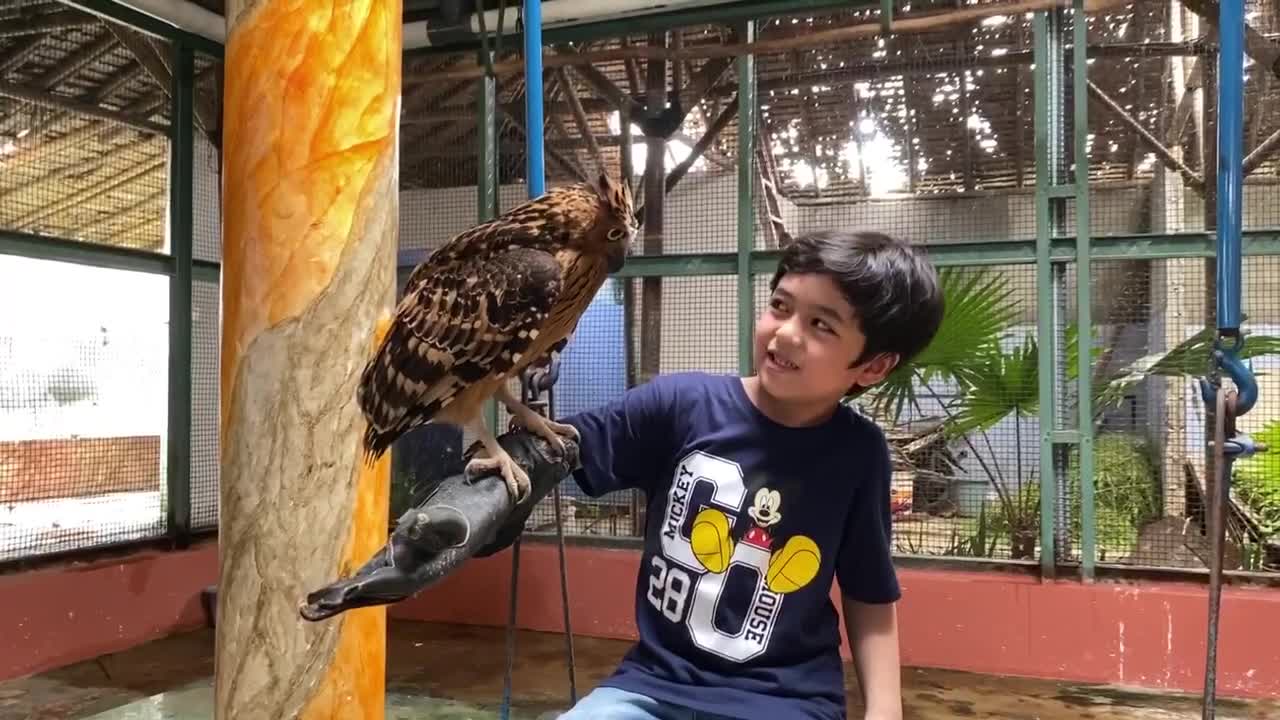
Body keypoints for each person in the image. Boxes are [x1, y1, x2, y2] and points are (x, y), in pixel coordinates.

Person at [554, 229, 944, 720]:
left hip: (785, 699)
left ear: (873, 366)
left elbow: (868, 593)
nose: (785, 333)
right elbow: (557, 449)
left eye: (822, 325)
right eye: (781, 306)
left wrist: (884, 712)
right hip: (653, 688)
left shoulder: (858, 453)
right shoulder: (681, 406)